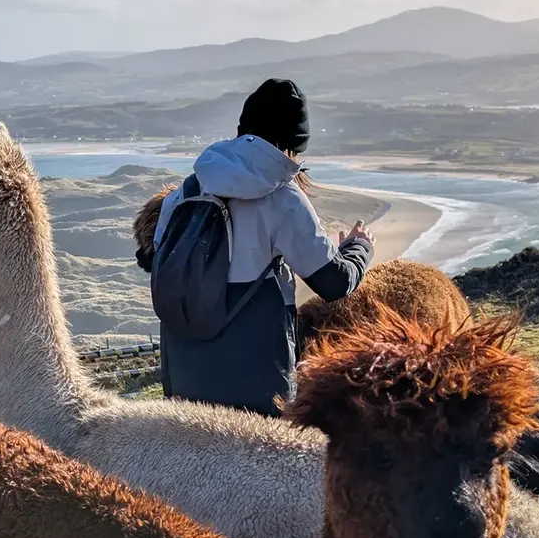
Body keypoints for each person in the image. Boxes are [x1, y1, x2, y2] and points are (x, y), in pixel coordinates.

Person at [149, 78, 374, 417]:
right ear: (293, 144)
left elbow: (154, 260)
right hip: (256, 382)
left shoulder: (187, 190)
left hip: (183, 377)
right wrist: (359, 247)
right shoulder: (282, 198)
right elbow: (334, 282)